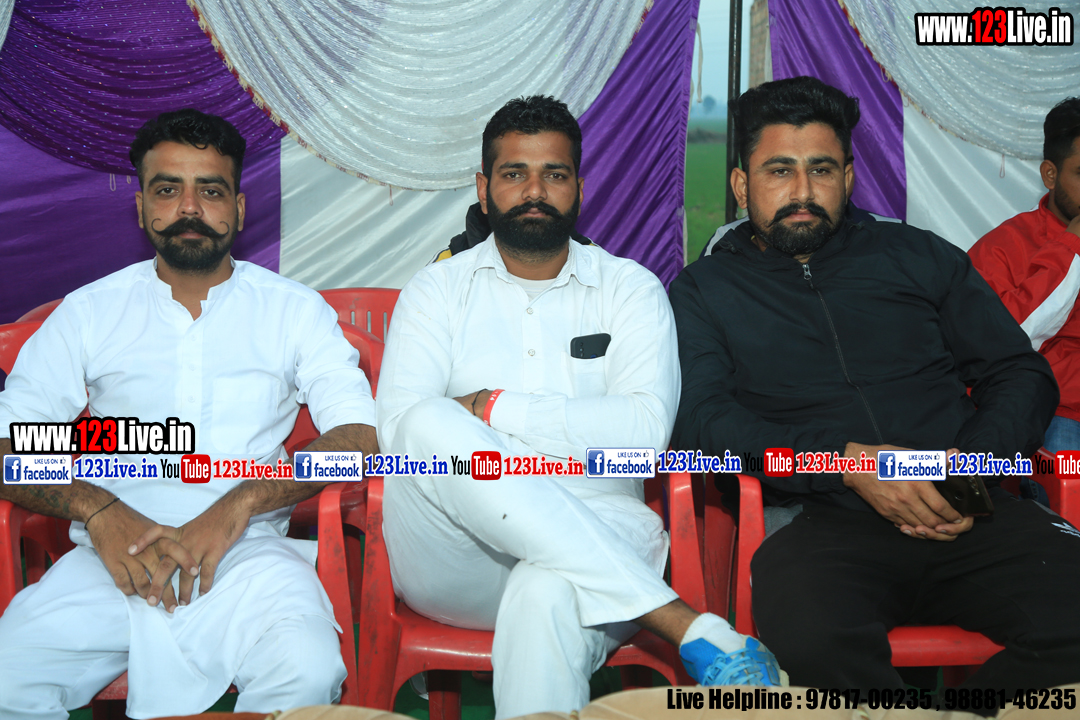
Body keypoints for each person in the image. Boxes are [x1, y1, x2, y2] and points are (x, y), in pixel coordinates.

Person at [670, 76, 1080, 700]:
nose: (802, 191)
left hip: (967, 505)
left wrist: (972, 467)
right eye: (779, 170)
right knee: (811, 641)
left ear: (848, 177)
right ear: (741, 184)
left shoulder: (917, 256)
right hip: (821, 518)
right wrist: (843, 462)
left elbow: (1018, 372)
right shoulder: (705, 290)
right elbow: (703, 422)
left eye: (821, 169)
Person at [376, 95, 784, 719]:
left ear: (580, 189)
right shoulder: (436, 290)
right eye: (514, 174)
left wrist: (491, 408)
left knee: (546, 590)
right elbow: (400, 436)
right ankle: (686, 625)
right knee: (426, 423)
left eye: (555, 174)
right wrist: (567, 430)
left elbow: (644, 436)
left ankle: (684, 629)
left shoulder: (630, 288)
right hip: (459, 559)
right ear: (483, 190)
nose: (534, 191)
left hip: (602, 529)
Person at [0, 109, 378, 719]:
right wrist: (98, 510)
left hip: (247, 556)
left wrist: (239, 504)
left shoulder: (292, 311)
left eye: (211, 190)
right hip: (110, 558)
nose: (190, 208)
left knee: (306, 669)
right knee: (6, 675)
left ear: (239, 209)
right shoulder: (89, 313)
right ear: (142, 207)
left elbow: (358, 440)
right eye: (167, 189)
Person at [969, 98, 1080, 467]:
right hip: (1055, 412)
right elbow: (1006, 342)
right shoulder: (1001, 248)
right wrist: (1072, 245)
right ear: (1050, 175)